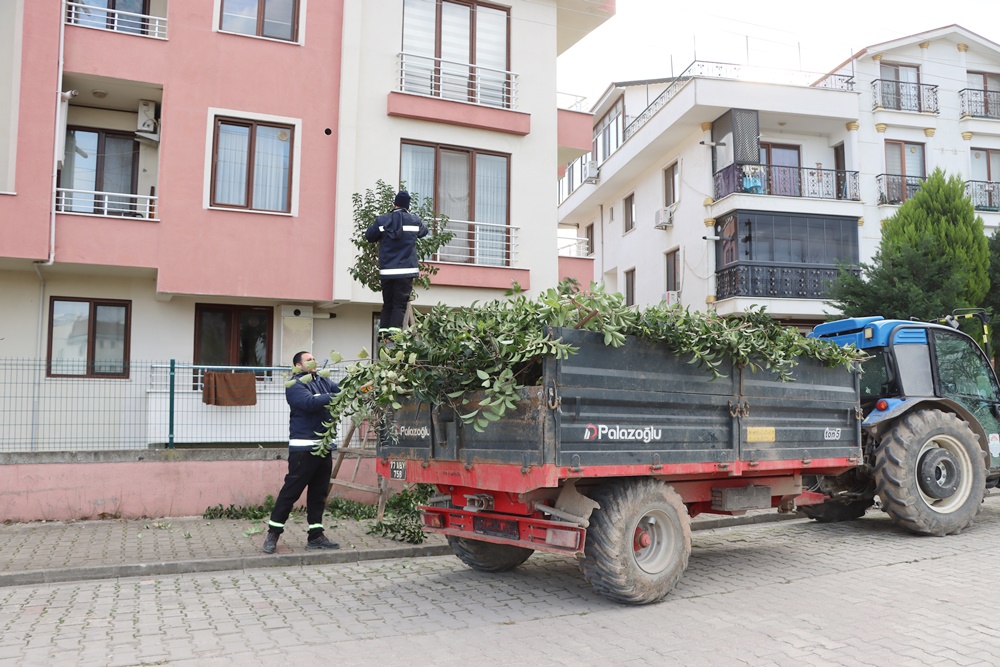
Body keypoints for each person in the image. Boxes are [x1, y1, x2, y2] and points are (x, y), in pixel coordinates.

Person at [262, 351, 341, 554]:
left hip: (324, 446)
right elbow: (309, 403)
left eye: (314, 358)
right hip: (303, 448)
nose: (313, 361)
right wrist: (335, 396)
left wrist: (360, 388)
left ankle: (316, 535)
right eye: (308, 359)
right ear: (298, 365)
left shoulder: (323, 381)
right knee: (291, 492)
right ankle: (273, 534)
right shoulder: (294, 385)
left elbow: (341, 392)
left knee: (319, 493)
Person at [365, 190, 429, 335]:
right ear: (407, 206)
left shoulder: (382, 220)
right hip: (406, 271)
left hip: (387, 271)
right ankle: (394, 335)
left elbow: (369, 236)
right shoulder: (414, 220)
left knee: (387, 303)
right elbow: (424, 232)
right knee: (399, 304)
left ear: (394, 204)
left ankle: (383, 333)